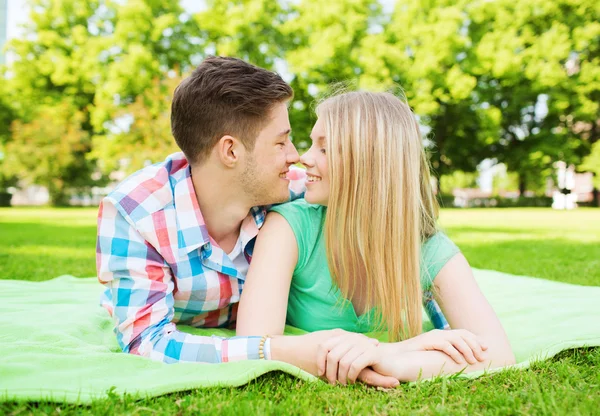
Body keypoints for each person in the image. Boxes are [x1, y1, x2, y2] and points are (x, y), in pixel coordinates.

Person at [96, 56, 403, 387]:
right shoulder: (136, 214)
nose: (296, 155)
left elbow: (374, 200)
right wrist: (279, 350)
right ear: (230, 151)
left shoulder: (296, 189)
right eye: (281, 141)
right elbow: (147, 344)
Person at [237, 91, 516, 385]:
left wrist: (389, 358)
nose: (303, 158)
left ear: (370, 163)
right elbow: (252, 343)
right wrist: (395, 350)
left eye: (324, 149)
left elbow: (497, 352)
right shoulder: (289, 227)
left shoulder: (427, 247)